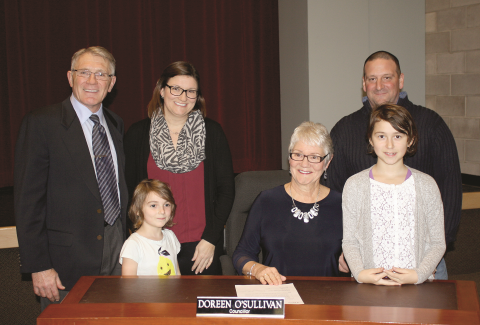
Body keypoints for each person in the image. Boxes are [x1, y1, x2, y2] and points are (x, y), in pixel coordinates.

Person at [328, 51, 461, 279]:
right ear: (363, 83)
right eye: (372, 79)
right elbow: (336, 197)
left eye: (387, 77)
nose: (379, 85)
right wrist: (345, 251)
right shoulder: (343, 129)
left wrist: (431, 257)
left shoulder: (431, 124)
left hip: (426, 263)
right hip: (366, 266)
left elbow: (449, 190)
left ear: (400, 80)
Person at [14, 46, 128, 310]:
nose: (91, 81)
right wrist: (39, 266)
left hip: (117, 252)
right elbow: (27, 202)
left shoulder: (116, 124)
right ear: (69, 77)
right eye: (84, 72)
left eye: (101, 74)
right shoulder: (41, 123)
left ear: (111, 83)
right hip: (66, 264)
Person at [124, 61, 235, 275]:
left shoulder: (212, 133)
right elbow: (130, 191)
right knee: (155, 308)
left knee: (201, 307)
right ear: (162, 90)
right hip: (153, 243)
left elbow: (226, 191)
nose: (183, 97)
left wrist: (211, 239)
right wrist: (140, 237)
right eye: (176, 89)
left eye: (191, 91)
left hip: (201, 247)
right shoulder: (138, 134)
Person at [342, 104, 446, 285]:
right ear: (371, 139)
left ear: (411, 139)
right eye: (381, 136)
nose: (389, 145)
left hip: (417, 286)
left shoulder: (427, 185)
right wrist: (359, 273)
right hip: (370, 287)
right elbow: (350, 242)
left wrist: (419, 274)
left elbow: (438, 243)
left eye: (398, 136)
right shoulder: (355, 185)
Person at [232, 122, 343, 285]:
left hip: (327, 300)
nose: (304, 164)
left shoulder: (341, 204)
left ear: (327, 161)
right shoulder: (267, 201)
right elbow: (241, 255)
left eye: (314, 157)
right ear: (289, 157)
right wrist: (258, 269)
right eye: (298, 154)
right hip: (279, 299)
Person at [120, 179, 181, 276]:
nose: (162, 211)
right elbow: (129, 286)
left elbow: (177, 273)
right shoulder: (134, 244)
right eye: (153, 205)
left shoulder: (171, 237)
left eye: (166, 205)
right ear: (137, 210)